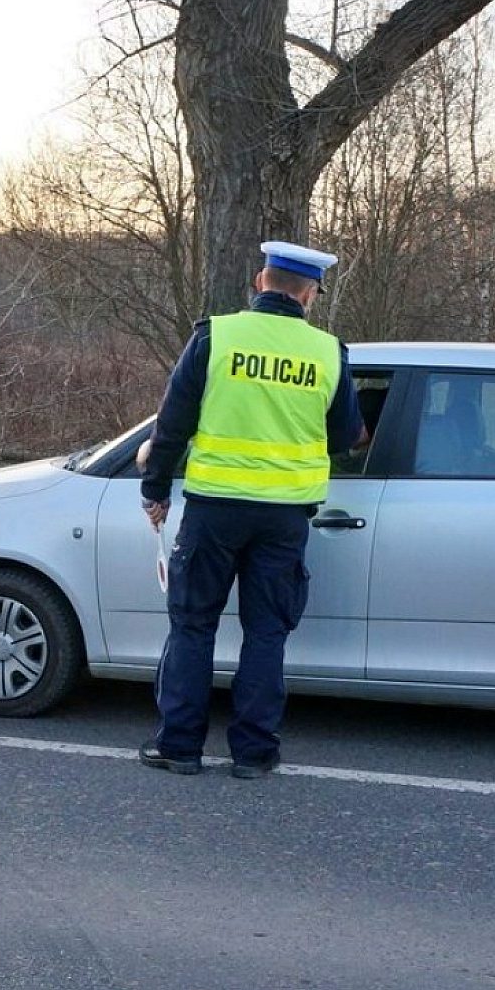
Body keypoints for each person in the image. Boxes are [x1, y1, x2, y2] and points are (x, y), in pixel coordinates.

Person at [138, 241, 365, 779]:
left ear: (261, 281)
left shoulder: (216, 337)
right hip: (284, 518)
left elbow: (172, 423)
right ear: (309, 294)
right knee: (267, 633)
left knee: (193, 627)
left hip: (214, 510)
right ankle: (254, 753)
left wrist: (155, 490)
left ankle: (180, 748)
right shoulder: (328, 352)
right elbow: (344, 436)